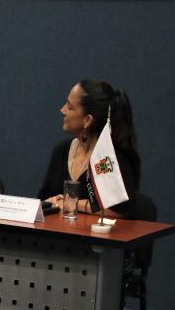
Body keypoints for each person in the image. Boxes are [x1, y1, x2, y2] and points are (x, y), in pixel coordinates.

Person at [39, 80, 139, 218]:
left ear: (87, 120)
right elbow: (44, 200)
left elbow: (118, 210)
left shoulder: (109, 159)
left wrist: (72, 203)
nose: (62, 110)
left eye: (69, 107)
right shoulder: (61, 151)